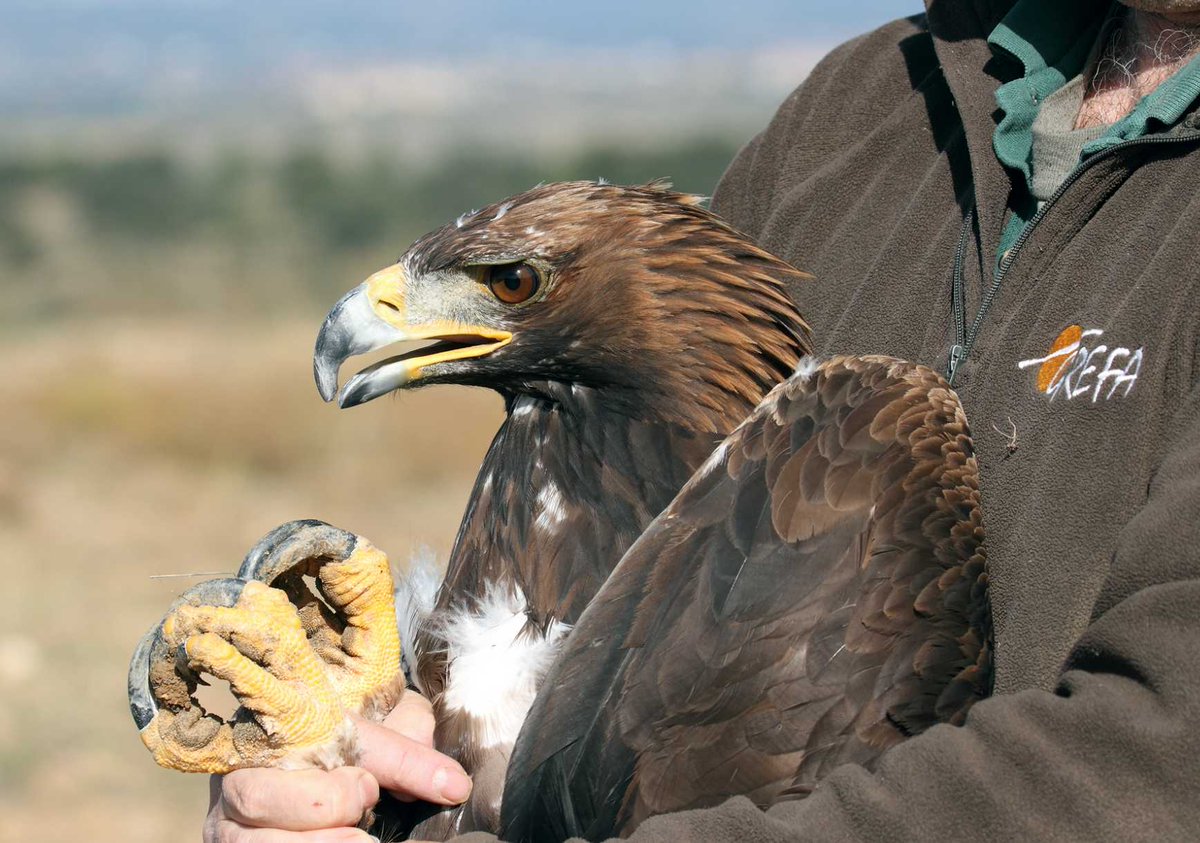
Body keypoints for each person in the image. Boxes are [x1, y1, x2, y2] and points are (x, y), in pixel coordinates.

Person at [203, 0, 1200, 839]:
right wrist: (349, 775)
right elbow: (625, 632)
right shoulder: (879, 101)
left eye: (508, 286)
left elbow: (1157, 768)